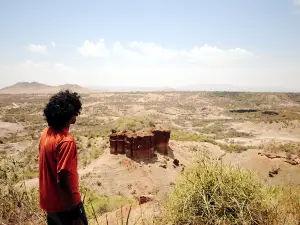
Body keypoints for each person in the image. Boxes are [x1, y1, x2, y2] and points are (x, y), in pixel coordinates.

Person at [39, 90, 88, 225]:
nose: (76, 116)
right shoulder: (66, 141)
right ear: (70, 114)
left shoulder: (46, 133)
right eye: (75, 112)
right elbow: (63, 181)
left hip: (50, 205)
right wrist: (75, 216)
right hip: (66, 208)